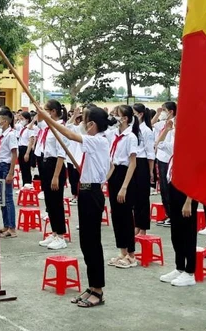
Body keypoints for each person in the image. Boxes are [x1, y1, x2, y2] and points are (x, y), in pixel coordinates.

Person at [36, 105, 110, 308]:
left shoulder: (99, 141)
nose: (82, 125)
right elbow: (69, 132)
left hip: (93, 193)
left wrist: (47, 119)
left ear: (92, 124)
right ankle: (92, 286)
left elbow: (68, 132)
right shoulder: (94, 140)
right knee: (86, 242)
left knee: (93, 243)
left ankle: (98, 290)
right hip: (85, 192)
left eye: (84, 121)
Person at [157, 119, 199, 287]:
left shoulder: (193, 148)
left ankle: (190, 272)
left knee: (188, 233)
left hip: (187, 193)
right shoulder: (176, 144)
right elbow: (158, 145)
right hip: (174, 188)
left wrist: (189, 200)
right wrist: (166, 130)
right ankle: (179, 266)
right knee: (176, 231)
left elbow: (197, 176)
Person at [107, 105, 141, 268]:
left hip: (125, 175)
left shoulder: (130, 137)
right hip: (114, 173)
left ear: (125, 118)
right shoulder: (113, 134)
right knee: (116, 215)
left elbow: (133, 163)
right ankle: (122, 251)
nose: (114, 117)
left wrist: (124, 187)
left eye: (117, 115)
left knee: (126, 216)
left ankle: (132, 255)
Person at [39, 100, 68, 250]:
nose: (44, 112)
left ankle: (61, 235)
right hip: (46, 164)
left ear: (53, 112)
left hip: (55, 165)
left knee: (56, 202)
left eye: (46, 110)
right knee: (49, 202)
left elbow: (61, 155)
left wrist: (56, 176)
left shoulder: (60, 128)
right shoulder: (48, 127)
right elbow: (37, 120)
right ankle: (54, 232)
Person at [0, 108, 19, 238]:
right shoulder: (1, 133)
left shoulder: (11, 135)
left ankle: (12, 228)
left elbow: (14, 153)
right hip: (0, 165)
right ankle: (6, 225)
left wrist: (11, 172)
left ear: (4, 121)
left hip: (6, 166)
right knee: (2, 198)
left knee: (8, 197)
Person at [132, 104, 155, 236]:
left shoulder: (146, 131)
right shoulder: (133, 129)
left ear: (140, 114)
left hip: (143, 163)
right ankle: (137, 224)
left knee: (142, 197)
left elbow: (150, 153)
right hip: (134, 162)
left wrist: (151, 171)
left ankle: (143, 227)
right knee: (135, 197)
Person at [153, 102, 177, 226]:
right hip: (161, 158)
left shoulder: (174, 124)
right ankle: (168, 214)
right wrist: (157, 114)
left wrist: (169, 129)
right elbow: (151, 124)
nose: (162, 112)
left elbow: (163, 144)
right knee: (163, 189)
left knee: (168, 189)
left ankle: (172, 215)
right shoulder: (163, 123)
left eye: (164, 110)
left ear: (171, 111)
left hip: (169, 158)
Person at [16, 112, 37, 189]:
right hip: (21, 148)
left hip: (26, 149)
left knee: (26, 168)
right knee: (22, 168)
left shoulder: (30, 128)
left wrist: (27, 153)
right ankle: (24, 185)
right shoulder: (22, 127)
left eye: (22, 119)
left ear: (27, 119)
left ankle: (28, 184)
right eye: (20, 119)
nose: (21, 120)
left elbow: (31, 141)